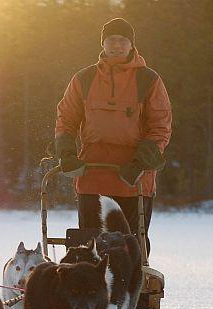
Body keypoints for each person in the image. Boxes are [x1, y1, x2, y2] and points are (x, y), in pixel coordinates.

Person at [54, 17, 172, 257]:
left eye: (122, 40)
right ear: (103, 44)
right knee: (89, 243)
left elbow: (160, 125)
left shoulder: (148, 79)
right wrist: (67, 154)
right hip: (92, 172)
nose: (116, 45)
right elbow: (66, 119)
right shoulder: (83, 79)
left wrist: (140, 163)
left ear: (131, 45)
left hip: (133, 176)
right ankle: (87, 288)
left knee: (131, 245)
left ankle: (133, 288)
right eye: (111, 40)